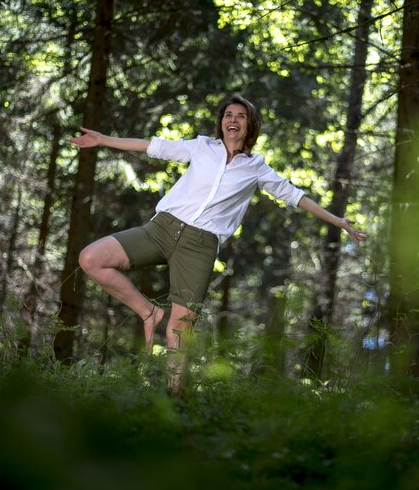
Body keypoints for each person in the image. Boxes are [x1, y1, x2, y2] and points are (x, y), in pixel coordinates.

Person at [70, 94, 366, 391]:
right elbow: (152, 146)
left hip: (199, 246)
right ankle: (149, 312)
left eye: (240, 116)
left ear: (250, 126)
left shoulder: (257, 168)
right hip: (161, 228)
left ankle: (174, 399)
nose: (232, 120)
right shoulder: (201, 147)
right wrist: (103, 139)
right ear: (221, 123)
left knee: (180, 330)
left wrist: (339, 221)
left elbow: (295, 196)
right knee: (91, 258)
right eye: (228, 115)